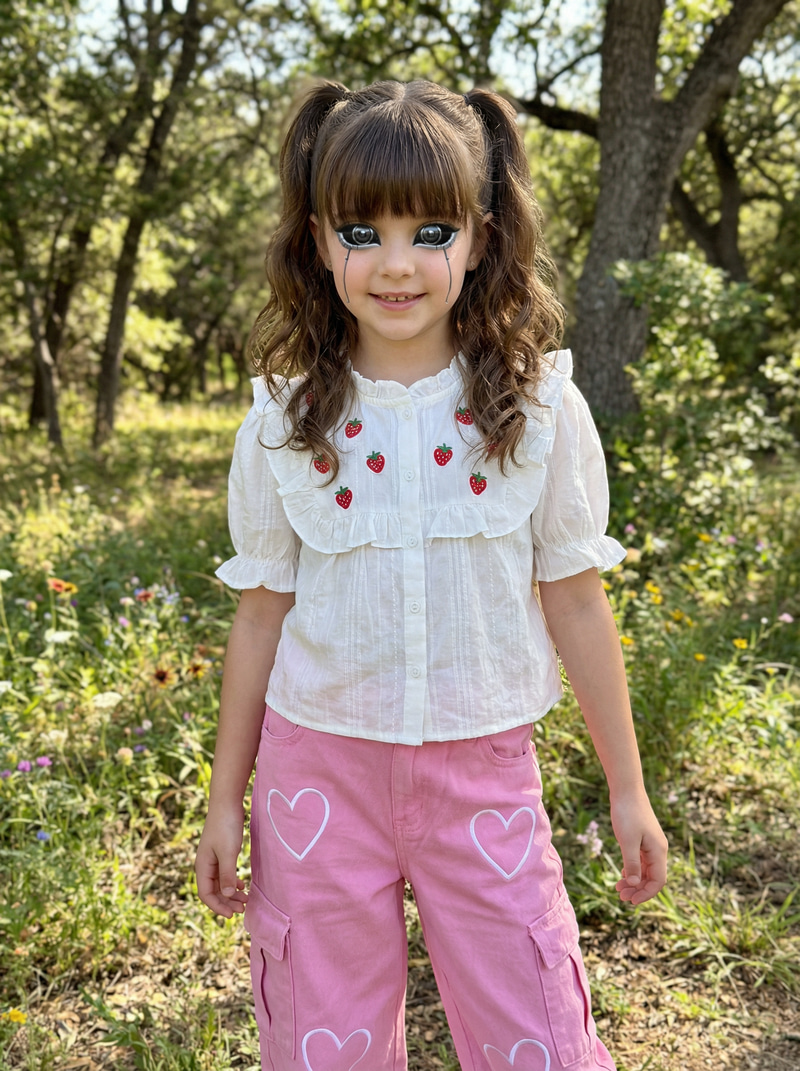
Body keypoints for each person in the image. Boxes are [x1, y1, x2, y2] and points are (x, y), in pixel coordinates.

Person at [195, 78, 668, 1071]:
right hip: (314, 777)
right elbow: (258, 618)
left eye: (432, 230)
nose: (396, 264)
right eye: (360, 232)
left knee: (532, 1029)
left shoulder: (537, 412)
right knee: (326, 1040)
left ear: (482, 237)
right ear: (319, 244)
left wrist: (627, 789)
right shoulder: (282, 427)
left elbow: (575, 600)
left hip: (482, 776)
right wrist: (224, 798)